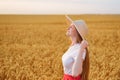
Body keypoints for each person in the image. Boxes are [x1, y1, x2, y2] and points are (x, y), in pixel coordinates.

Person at [62, 15, 90, 80]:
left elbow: (75, 73)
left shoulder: (79, 48)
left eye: (71, 27)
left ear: (77, 32)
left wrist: (81, 48)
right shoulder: (72, 46)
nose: (68, 28)